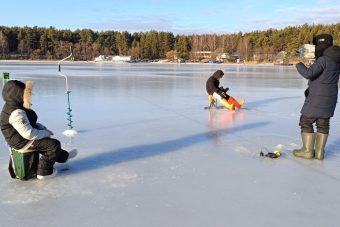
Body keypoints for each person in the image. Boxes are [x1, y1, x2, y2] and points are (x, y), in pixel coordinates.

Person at [1, 80, 77, 179]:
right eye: (25, 95)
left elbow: (29, 124)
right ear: (18, 95)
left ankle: (64, 157)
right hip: (21, 142)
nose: (28, 98)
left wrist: (42, 128)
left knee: (47, 144)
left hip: (19, 139)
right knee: (53, 144)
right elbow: (28, 133)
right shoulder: (16, 113)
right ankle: (44, 171)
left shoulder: (13, 106)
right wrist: (45, 133)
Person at [293, 34, 340, 160]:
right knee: (323, 123)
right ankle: (319, 153)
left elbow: (308, 73)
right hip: (331, 97)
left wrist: (299, 65)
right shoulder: (336, 60)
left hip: (317, 97)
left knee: (306, 120)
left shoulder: (323, 60)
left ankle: (307, 151)